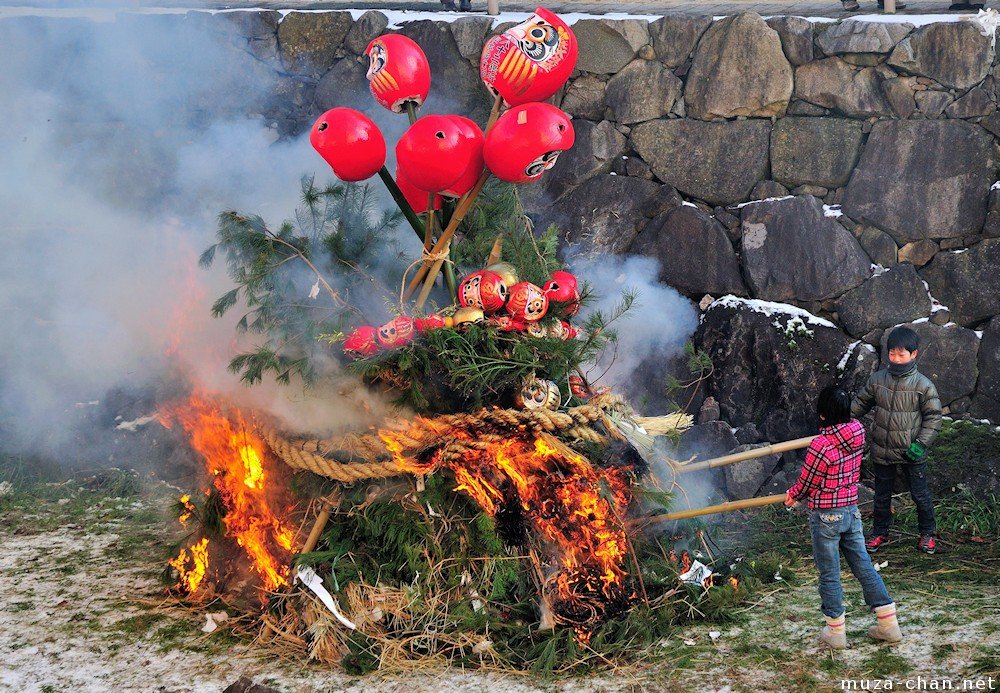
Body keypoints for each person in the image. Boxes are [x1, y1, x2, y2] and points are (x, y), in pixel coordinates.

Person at [785, 385, 902, 649]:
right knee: (863, 565)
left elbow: (808, 482)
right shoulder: (857, 432)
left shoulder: (821, 445)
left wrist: (794, 494)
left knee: (829, 573)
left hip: (826, 515)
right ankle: (888, 625)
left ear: (822, 415)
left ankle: (836, 633)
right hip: (851, 511)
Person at [852, 326, 942, 555]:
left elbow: (934, 417)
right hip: (882, 449)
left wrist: (920, 444)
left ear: (914, 354)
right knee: (882, 495)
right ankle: (879, 532)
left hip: (912, 451)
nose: (896, 359)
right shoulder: (878, 380)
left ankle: (928, 534)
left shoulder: (923, 385)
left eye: (901, 355)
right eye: (892, 354)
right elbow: (860, 404)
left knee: (919, 494)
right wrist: (839, 417)